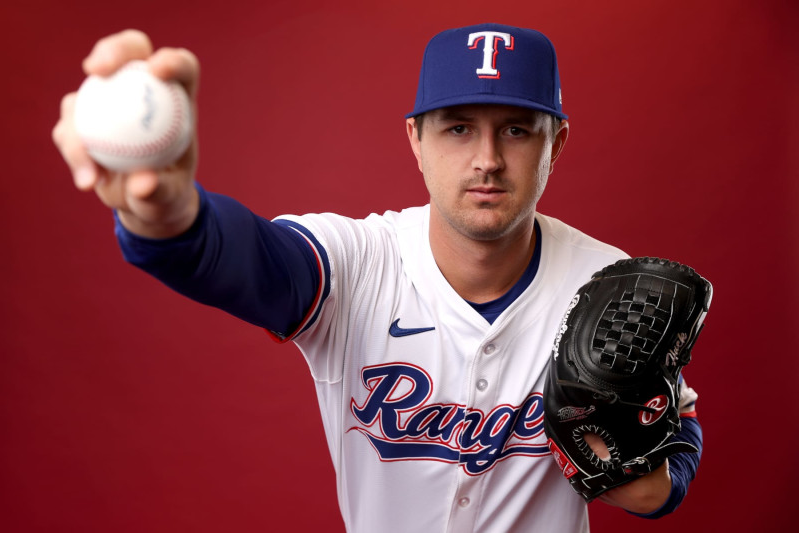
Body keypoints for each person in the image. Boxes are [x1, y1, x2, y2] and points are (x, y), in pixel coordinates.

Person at [53, 23, 702, 533]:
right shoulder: (357, 262)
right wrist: (168, 213)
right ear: (415, 139)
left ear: (555, 142)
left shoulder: (609, 282)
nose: (487, 159)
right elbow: (241, 260)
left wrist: (659, 480)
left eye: (516, 129)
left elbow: (674, 437)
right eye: (457, 127)